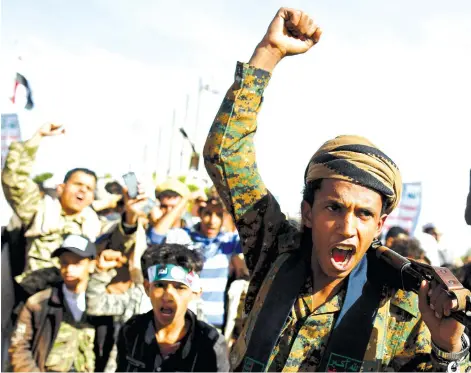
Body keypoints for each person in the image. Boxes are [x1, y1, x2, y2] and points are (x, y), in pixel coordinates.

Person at [203, 8, 470, 372]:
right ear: (308, 212)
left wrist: (448, 349)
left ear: (380, 224)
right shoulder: (274, 251)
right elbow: (225, 155)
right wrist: (269, 51)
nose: (348, 227)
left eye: (364, 214)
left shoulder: (401, 306)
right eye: (334, 208)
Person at [1, 123, 143, 291]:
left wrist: (131, 214)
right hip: (35, 296)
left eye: (89, 188)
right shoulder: (39, 209)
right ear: (61, 188)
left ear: (92, 197)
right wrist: (37, 137)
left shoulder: (96, 225)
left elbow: (121, 243)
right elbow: (14, 180)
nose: (83, 190)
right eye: (78, 184)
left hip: (75, 300)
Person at [116, 243, 230, 372]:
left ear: (195, 293)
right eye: (160, 285)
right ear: (147, 288)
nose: (167, 297)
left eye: (179, 287)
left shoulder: (211, 343)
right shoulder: (132, 331)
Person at [9, 235, 97, 372]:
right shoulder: (39, 303)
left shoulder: (101, 304)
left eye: (77, 263)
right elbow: (19, 346)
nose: (69, 269)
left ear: (91, 265)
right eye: (64, 263)